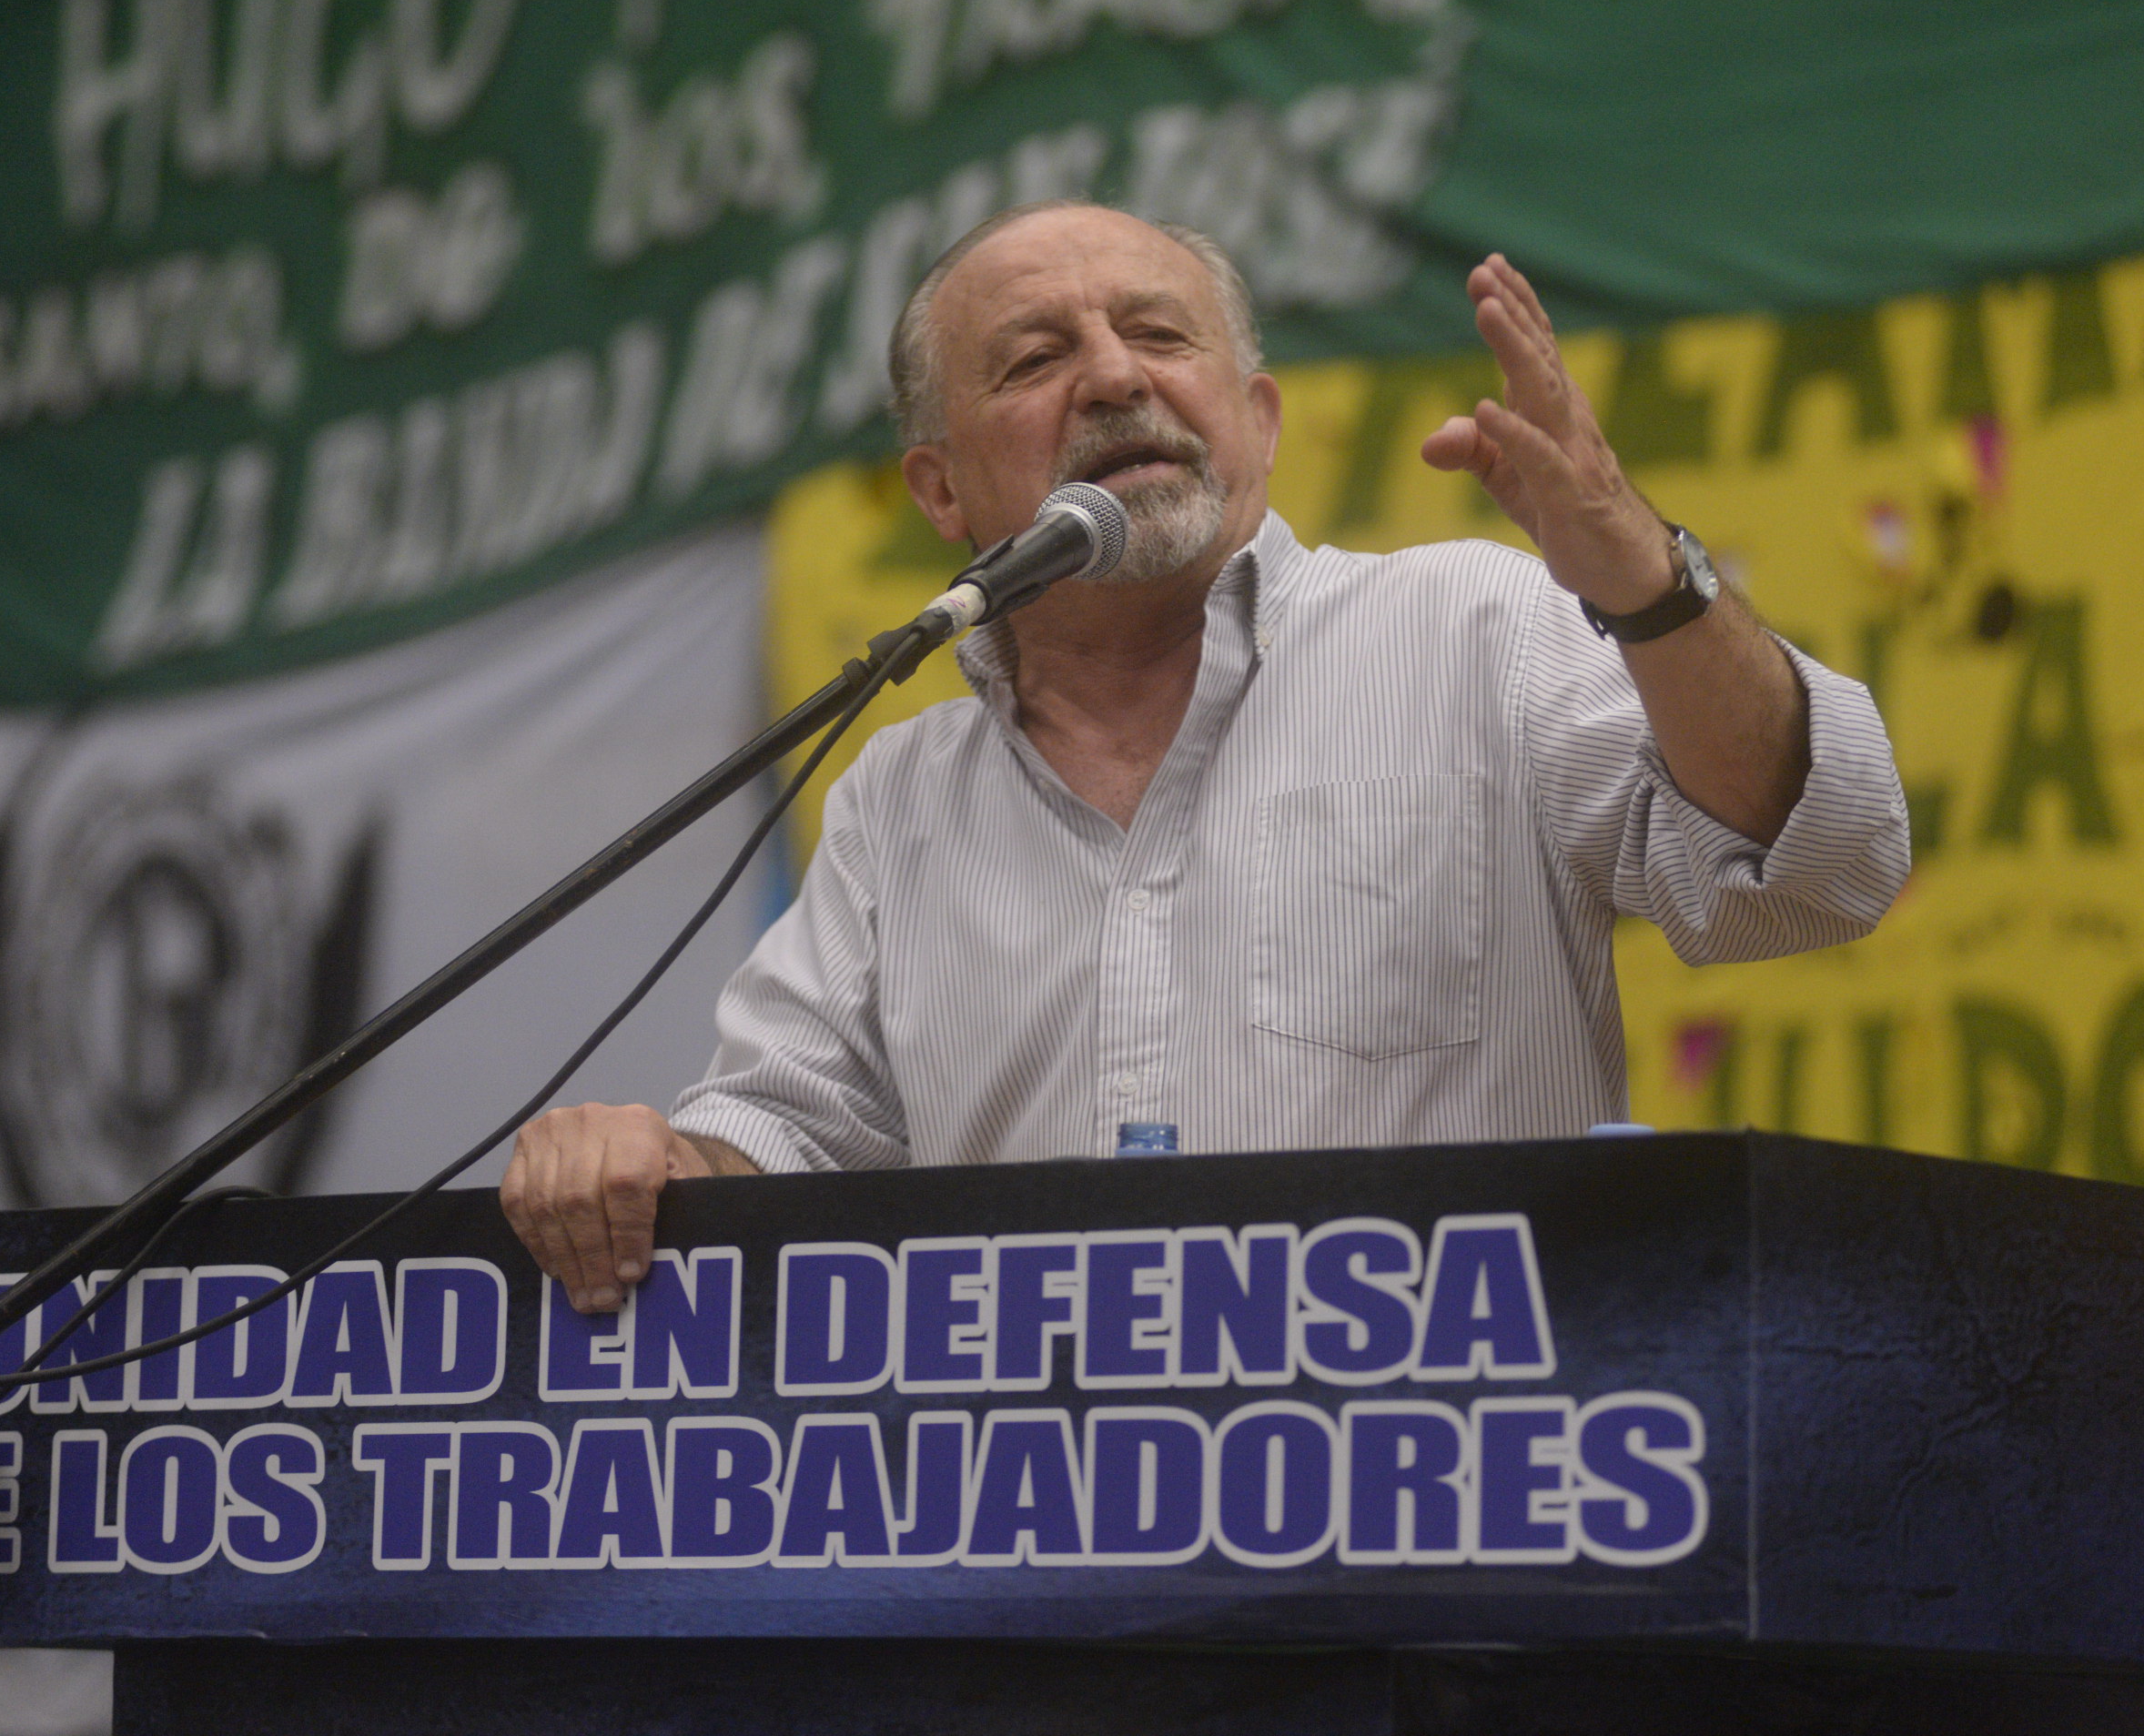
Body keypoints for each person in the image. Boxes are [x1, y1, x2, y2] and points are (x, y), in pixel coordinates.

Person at [502, 201, 1908, 1313]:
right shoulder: (903, 799)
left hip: (1461, 1514)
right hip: (1051, 1541)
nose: (1116, 376)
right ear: (940, 489)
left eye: (1160, 337)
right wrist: (640, 1166)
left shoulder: (1472, 627)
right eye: (1035, 360)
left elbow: (1819, 867)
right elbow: (781, 1149)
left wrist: (1652, 585)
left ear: (1260, 419)